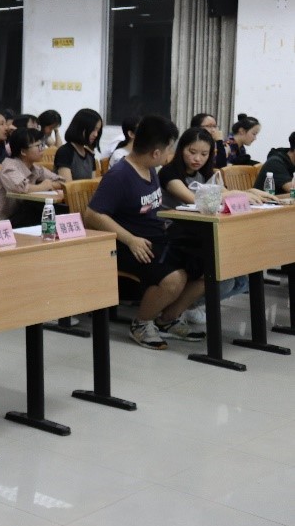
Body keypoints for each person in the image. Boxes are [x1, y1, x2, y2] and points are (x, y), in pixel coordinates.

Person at [84, 115, 206, 350]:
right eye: (169, 148)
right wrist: (131, 240)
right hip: (129, 245)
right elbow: (92, 215)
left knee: (207, 267)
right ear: (156, 153)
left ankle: (167, 319)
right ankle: (141, 324)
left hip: (157, 239)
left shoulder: (150, 170)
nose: (171, 153)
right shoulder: (120, 175)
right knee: (174, 278)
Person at [158, 127, 268, 321]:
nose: (197, 159)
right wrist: (233, 194)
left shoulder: (205, 173)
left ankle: (187, 307)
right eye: (192, 152)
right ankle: (173, 313)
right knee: (218, 274)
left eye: (204, 154)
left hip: (200, 232)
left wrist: (249, 192)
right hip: (173, 236)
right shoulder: (169, 173)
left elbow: (222, 192)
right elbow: (194, 199)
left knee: (240, 279)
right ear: (181, 149)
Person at [0, 128, 64, 224]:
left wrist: (51, 185)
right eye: (38, 146)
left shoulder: (35, 168)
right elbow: (20, 188)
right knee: (41, 213)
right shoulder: (9, 166)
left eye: (42, 145)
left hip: (14, 218)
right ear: (23, 151)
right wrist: (43, 186)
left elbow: (61, 181)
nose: (42, 149)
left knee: (50, 212)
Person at [54, 108, 103, 182]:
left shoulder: (89, 155)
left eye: (98, 131)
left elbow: (92, 184)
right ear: (81, 127)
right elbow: (68, 186)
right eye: (93, 129)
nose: (96, 134)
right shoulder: (64, 152)